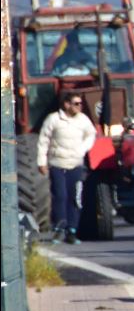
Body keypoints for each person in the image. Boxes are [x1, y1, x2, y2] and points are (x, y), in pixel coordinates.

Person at [36, 90, 97, 244]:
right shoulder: (54, 119)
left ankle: (72, 231)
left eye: (80, 103)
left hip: (75, 165)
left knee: (75, 199)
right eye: (76, 103)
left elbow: (91, 134)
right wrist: (41, 162)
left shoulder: (83, 120)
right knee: (60, 196)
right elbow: (43, 140)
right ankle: (59, 228)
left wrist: (83, 149)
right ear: (66, 104)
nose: (79, 106)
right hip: (58, 164)